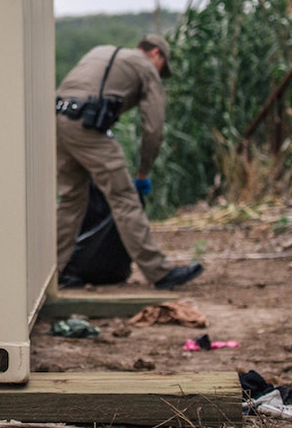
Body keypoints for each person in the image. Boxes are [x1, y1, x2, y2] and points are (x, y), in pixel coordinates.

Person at [54, 33, 204, 291]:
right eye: (163, 68)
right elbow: (154, 128)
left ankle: (57, 270)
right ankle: (160, 272)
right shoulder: (145, 67)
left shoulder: (100, 49)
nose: (160, 73)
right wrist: (143, 173)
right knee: (124, 198)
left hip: (57, 120)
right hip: (87, 127)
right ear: (156, 53)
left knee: (71, 200)